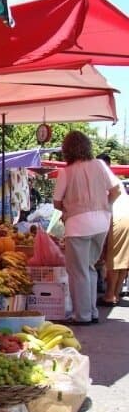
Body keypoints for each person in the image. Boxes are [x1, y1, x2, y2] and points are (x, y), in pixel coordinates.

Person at [52, 131, 121, 324]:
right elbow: (115, 190)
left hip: (78, 225)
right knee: (90, 268)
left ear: (67, 150)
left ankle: (81, 316)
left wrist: (69, 207)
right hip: (102, 223)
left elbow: (57, 202)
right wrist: (105, 206)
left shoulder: (66, 172)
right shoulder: (100, 165)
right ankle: (92, 312)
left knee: (78, 271)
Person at [96, 153, 129, 306]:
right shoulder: (114, 178)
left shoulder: (104, 178)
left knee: (113, 260)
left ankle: (110, 295)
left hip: (118, 217)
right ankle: (114, 294)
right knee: (123, 260)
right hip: (126, 215)